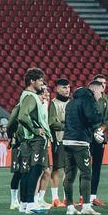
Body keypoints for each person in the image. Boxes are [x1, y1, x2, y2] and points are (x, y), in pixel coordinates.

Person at [12, 68, 50, 215]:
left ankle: (24, 204)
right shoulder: (31, 97)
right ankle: (31, 204)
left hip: (27, 139)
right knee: (35, 170)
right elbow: (22, 116)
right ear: (32, 81)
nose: (42, 83)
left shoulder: (25, 96)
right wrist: (35, 130)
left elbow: (16, 116)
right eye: (40, 80)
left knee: (26, 171)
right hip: (35, 140)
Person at [61, 80, 101, 215]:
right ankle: (86, 206)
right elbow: (93, 118)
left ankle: (70, 207)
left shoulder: (70, 103)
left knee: (69, 175)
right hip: (80, 142)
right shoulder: (86, 101)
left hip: (66, 141)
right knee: (86, 174)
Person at [88, 75, 108, 208]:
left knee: (96, 167)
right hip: (87, 136)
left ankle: (93, 196)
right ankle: (83, 196)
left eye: (105, 83)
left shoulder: (107, 100)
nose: (103, 85)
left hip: (100, 137)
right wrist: (94, 130)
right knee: (84, 168)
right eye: (100, 83)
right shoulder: (88, 99)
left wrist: (101, 129)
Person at [47, 78, 70, 208]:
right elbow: (52, 123)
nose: (67, 90)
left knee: (69, 169)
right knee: (56, 168)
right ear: (57, 89)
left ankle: (67, 198)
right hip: (59, 140)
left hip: (71, 140)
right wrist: (68, 125)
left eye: (68, 87)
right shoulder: (53, 104)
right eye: (63, 88)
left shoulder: (72, 103)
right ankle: (55, 198)